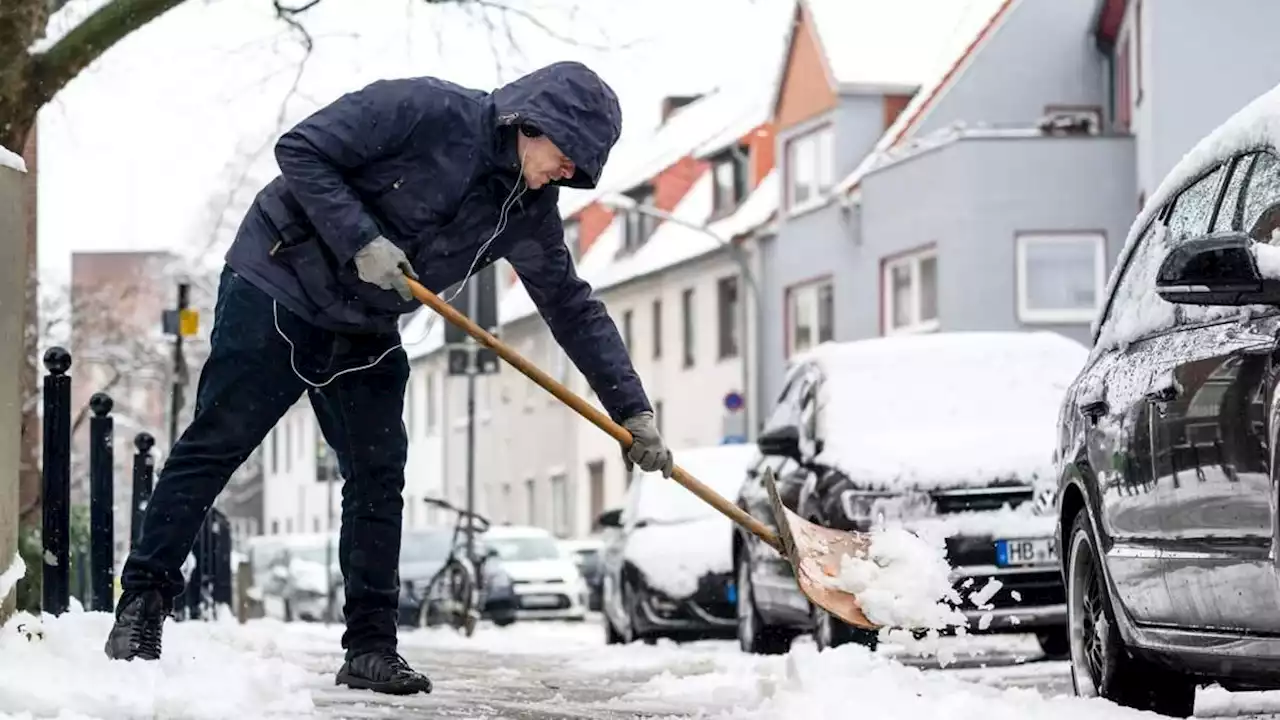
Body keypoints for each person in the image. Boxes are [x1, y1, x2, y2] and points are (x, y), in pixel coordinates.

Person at [103, 61, 674, 695]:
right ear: (534, 123)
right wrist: (361, 239)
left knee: (378, 474)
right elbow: (302, 150)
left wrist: (633, 410)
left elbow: (571, 306)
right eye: (570, 157)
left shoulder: (526, 211)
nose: (569, 174)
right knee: (218, 443)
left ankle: (371, 648)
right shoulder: (425, 109)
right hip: (280, 282)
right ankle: (142, 608)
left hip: (367, 324)